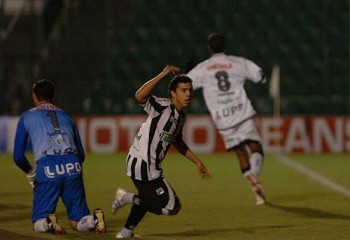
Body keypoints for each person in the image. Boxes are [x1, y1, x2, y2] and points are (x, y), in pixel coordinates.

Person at [111, 65, 211, 238]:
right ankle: (125, 197)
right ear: (172, 93)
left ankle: (126, 231)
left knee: (147, 199)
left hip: (141, 163)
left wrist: (197, 161)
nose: (188, 94)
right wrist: (163, 74)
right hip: (144, 165)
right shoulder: (163, 106)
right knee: (172, 207)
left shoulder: (180, 117)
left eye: (190, 90)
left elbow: (177, 141)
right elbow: (139, 96)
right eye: (183, 90)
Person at [13, 79, 106, 234]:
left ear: (34, 96)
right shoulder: (67, 116)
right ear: (53, 97)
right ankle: (93, 220)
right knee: (77, 221)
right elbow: (81, 154)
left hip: (47, 165)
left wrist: (31, 172)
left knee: (38, 221)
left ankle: (49, 222)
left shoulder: (26, 117)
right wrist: (70, 168)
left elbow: (18, 156)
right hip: (73, 164)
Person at [186, 33, 267, 205]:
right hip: (242, 113)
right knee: (256, 147)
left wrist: (188, 72)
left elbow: (185, 83)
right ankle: (255, 175)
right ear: (225, 45)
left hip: (222, 119)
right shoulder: (238, 62)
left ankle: (256, 190)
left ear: (210, 48)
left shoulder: (202, 68)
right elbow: (261, 76)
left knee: (240, 153)